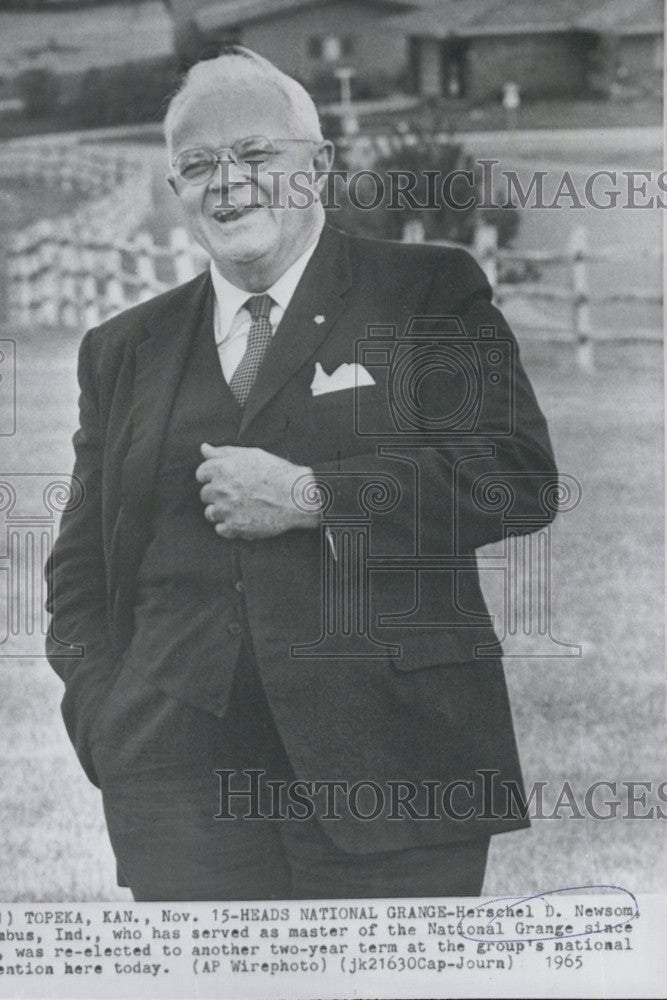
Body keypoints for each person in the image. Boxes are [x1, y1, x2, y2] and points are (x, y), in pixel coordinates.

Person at [45, 48, 558, 901]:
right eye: (198, 165)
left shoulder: (424, 291)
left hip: (393, 771)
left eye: (255, 156)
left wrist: (312, 496)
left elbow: (514, 475)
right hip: (180, 793)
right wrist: (108, 724)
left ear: (316, 165)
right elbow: (78, 573)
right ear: (176, 189)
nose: (227, 184)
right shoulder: (122, 349)